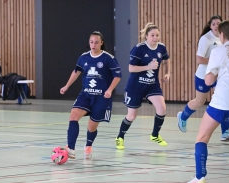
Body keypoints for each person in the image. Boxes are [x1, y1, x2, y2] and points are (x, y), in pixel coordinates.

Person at [185, 20, 229, 183]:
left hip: (221, 101)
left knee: (202, 138)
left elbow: (208, 81)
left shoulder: (219, 51)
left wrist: (214, 74)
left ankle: (199, 178)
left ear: (222, 34)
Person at [60, 31, 121, 159]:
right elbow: (76, 72)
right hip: (86, 95)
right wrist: (66, 86)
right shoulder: (84, 57)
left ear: (101, 43)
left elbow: (117, 76)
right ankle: (70, 148)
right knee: (73, 116)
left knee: (91, 127)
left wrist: (109, 90)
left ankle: (88, 145)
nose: (93, 45)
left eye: (96, 42)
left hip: (101, 98)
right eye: (91, 42)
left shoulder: (108, 58)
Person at [177, 15, 229, 142]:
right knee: (199, 102)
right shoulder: (206, 39)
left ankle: (225, 131)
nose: (216, 26)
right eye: (213, 24)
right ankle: (183, 116)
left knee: (223, 100)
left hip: (218, 76)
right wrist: (216, 61)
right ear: (210, 26)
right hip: (204, 75)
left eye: (218, 23)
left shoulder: (224, 40)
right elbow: (199, 59)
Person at [115, 22, 171, 150]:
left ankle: (155, 135)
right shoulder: (138, 48)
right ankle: (120, 137)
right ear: (146, 36)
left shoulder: (161, 48)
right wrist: (148, 67)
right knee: (131, 116)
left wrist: (168, 73)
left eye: (157, 35)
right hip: (136, 86)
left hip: (152, 85)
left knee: (162, 109)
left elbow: (167, 59)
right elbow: (131, 68)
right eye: (152, 35)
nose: (155, 38)